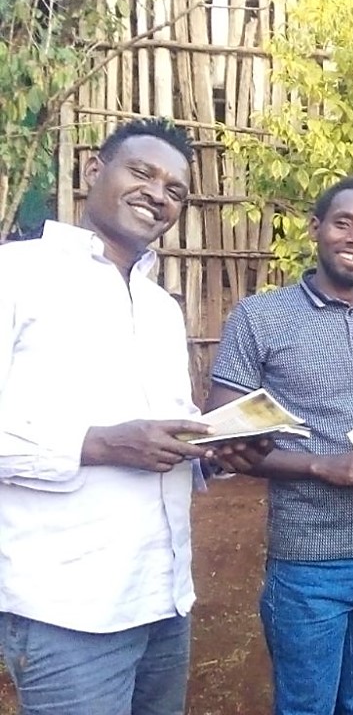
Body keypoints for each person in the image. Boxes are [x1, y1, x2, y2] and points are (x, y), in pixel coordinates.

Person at [0, 118, 265, 714]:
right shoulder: (16, 276)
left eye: (175, 189)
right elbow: (119, 443)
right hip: (65, 608)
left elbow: (162, 435)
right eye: (142, 172)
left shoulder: (160, 306)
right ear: (95, 170)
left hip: (161, 599)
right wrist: (99, 445)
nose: (158, 194)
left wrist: (214, 454)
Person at [208, 176, 353, 715]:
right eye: (344, 223)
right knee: (307, 706)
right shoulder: (259, 317)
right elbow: (223, 437)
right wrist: (321, 466)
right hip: (309, 560)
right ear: (316, 229)